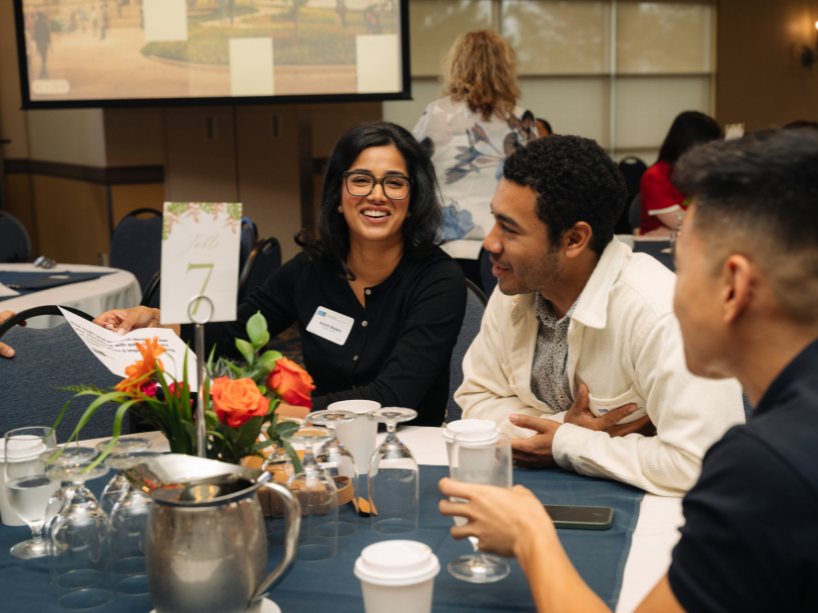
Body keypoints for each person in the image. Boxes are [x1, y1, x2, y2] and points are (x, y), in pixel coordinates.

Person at [440, 128, 818, 613]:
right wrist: (567, 433)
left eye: (681, 265)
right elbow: (476, 399)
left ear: (732, 287)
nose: (670, 291)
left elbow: (691, 462)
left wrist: (531, 535)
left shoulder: (766, 469)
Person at [93, 122, 466, 426]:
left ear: (413, 199)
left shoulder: (438, 282)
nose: (377, 195)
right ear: (338, 193)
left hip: (408, 449)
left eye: (395, 183)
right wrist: (155, 320)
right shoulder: (310, 270)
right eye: (361, 179)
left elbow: (391, 398)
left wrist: (268, 413)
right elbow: (232, 331)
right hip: (323, 448)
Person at [456, 135, 744, 496]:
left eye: (510, 229)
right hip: (528, 490)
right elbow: (477, 399)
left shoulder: (663, 315)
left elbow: (702, 463)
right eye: (494, 220)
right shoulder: (516, 287)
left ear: (574, 239)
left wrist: (568, 444)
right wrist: (561, 427)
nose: (490, 243)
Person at [413, 30, 537, 289]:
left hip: (446, 247)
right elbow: (537, 186)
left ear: (457, 65)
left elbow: (412, 173)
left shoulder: (436, 114)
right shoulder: (521, 119)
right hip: (505, 247)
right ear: (506, 68)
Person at [640, 111, 721, 236]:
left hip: (693, 243)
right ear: (691, 144)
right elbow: (685, 226)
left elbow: (722, 218)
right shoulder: (655, 176)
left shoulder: (705, 172)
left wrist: (672, 232)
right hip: (657, 248)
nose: (714, 152)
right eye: (710, 146)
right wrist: (679, 231)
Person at [33, 12, 50, 79]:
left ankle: (43, 74)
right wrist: (49, 43)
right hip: (44, 43)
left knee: (43, 59)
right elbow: (47, 34)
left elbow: (36, 34)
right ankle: (43, 74)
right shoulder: (44, 23)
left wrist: (37, 45)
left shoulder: (36, 23)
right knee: (44, 59)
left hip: (39, 43)